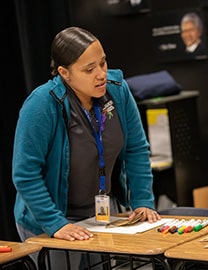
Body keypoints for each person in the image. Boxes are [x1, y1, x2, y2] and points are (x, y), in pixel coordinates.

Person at [12, 26, 160, 269]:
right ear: (64, 73)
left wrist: (142, 200)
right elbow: (25, 174)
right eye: (89, 69)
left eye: (103, 63)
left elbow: (136, 149)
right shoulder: (41, 105)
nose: (101, 74)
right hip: (51, 219)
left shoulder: (118, 92)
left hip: (100, 215)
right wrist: (55, 223)